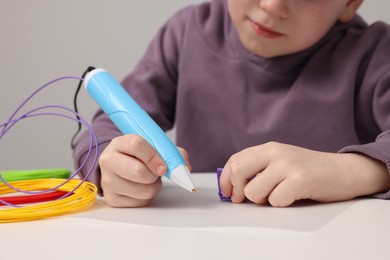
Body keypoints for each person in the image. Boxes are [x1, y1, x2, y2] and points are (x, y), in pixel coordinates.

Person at [73, 0, 390, 208]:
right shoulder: (187, 32)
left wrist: (354, 171)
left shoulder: (376, 54)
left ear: (349, 3)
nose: (271, 5)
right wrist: (109, 164)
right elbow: (103, 129)